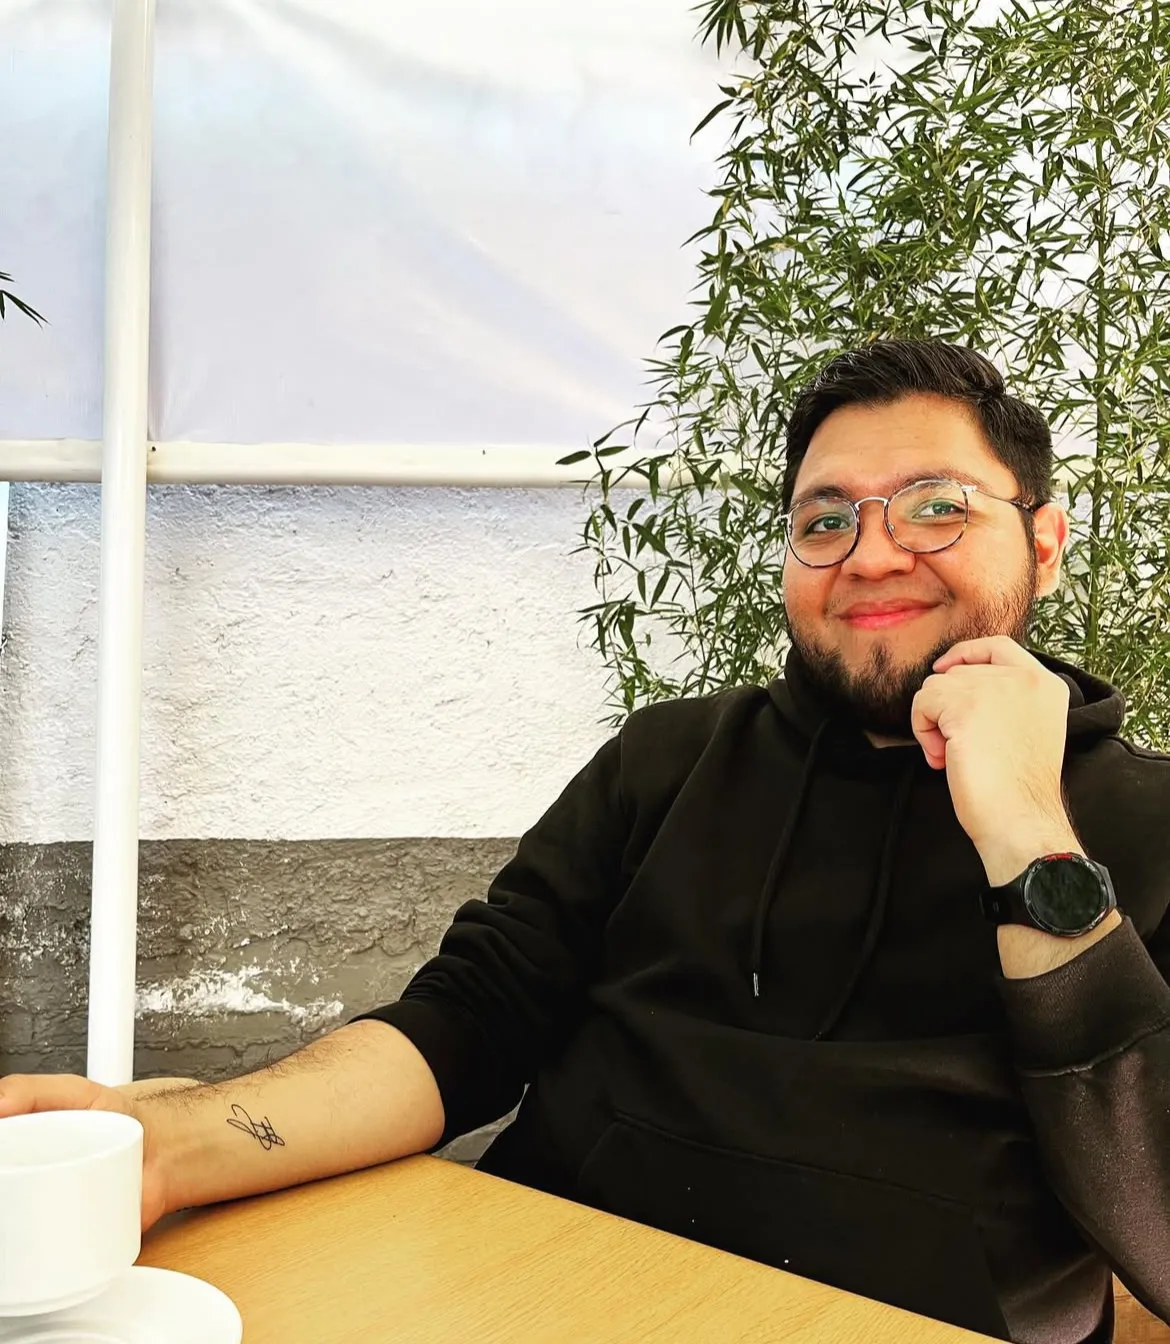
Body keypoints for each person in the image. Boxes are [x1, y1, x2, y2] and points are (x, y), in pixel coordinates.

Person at [2, 340, 1167, 1344]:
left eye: (934, 505)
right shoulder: (668, 759)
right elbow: (464, 1025)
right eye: (825, 518)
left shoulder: (1143, 820)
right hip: (530, 1289)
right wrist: (166, 1146)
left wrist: (1024, 826)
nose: (868, 554)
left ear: (1046, 541)